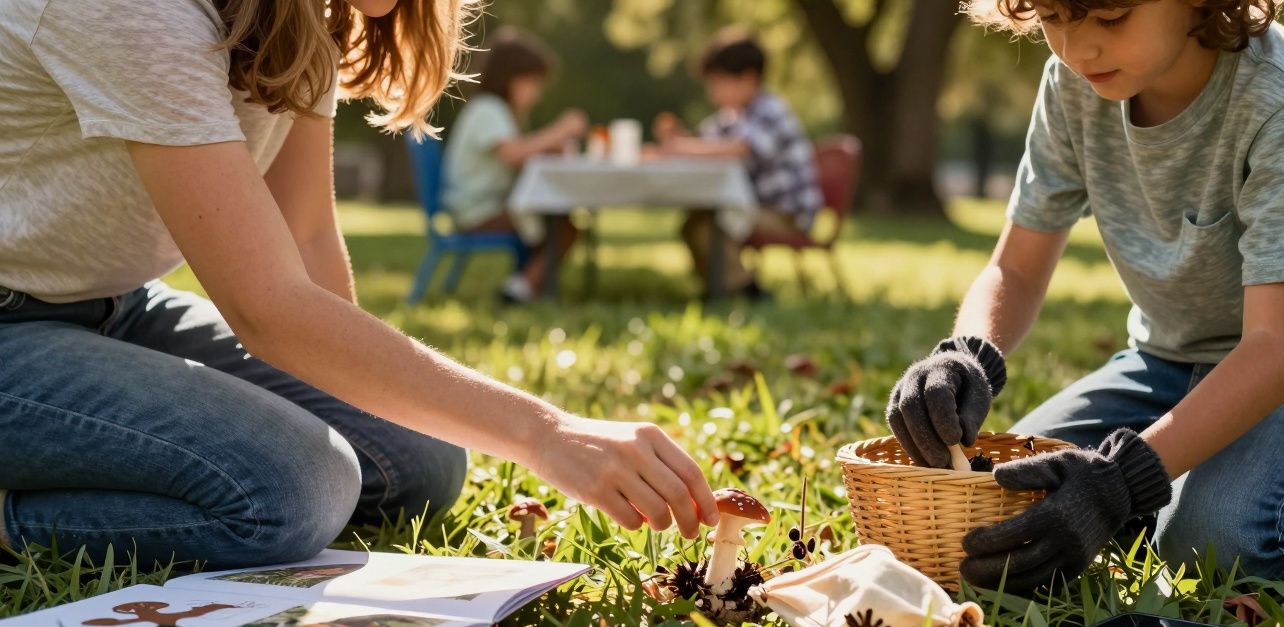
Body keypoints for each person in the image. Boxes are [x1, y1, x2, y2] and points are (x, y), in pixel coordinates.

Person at [0, 0, 718, 570]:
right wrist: (546, 432)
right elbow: (266, 307)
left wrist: (345, 405)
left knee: (417, 457)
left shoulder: (303, 18)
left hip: (113, 305)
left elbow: (307, 240)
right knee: (294, 489)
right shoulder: (133, 11)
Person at [886, 0, 1284, 593]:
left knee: (1213, 543)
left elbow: (1280, 345)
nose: (1075, 49)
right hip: (1163, 360)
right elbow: (1017, 267)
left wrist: (1122, 480)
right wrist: (966, 352)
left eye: (1110, 20)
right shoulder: (1074, 82)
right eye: (1052, 18)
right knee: (1012, 495)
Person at [655, 29, 822, 300]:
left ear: (748, 78)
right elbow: (704, 143)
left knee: (712, 225)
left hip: (785, 213)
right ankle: (719, 286)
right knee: (694, 223)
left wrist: (681, 147)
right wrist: (675, 144)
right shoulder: (731, 117)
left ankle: (746, 290)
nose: (712, 91)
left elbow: (737, 148)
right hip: (754, 205)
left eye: (718, 82)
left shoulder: (771, 109)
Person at [443, 26, 588, 303]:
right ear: (511, 78)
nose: (537, 94)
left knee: (559, 219)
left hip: (486, 206)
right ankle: (521, 288)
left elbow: (519, 154)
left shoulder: (497, 112)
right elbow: (513, 155)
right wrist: (558, 132)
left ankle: (525, 283)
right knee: (561, 224)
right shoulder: (489, 109)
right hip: (477, 211)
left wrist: (548, 147)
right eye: (534, 83)